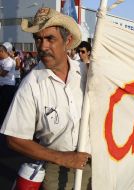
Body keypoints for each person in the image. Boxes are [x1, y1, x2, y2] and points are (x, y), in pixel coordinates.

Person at [0, 7, 91, 190]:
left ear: (68, 41)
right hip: (56, 171)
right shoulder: (31, 84)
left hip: (96, 164)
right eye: (38, 39)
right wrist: (62, 158)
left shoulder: (86, 73)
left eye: (50, 38)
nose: (42, 47)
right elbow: (14, 138)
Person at [0, 44, 16, 126]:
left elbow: (3, 74)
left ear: (2, 51)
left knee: (5, 107)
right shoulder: (1, 60)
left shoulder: (9, 61)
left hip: (8, 86)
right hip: (1, 86)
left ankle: (5, 125)